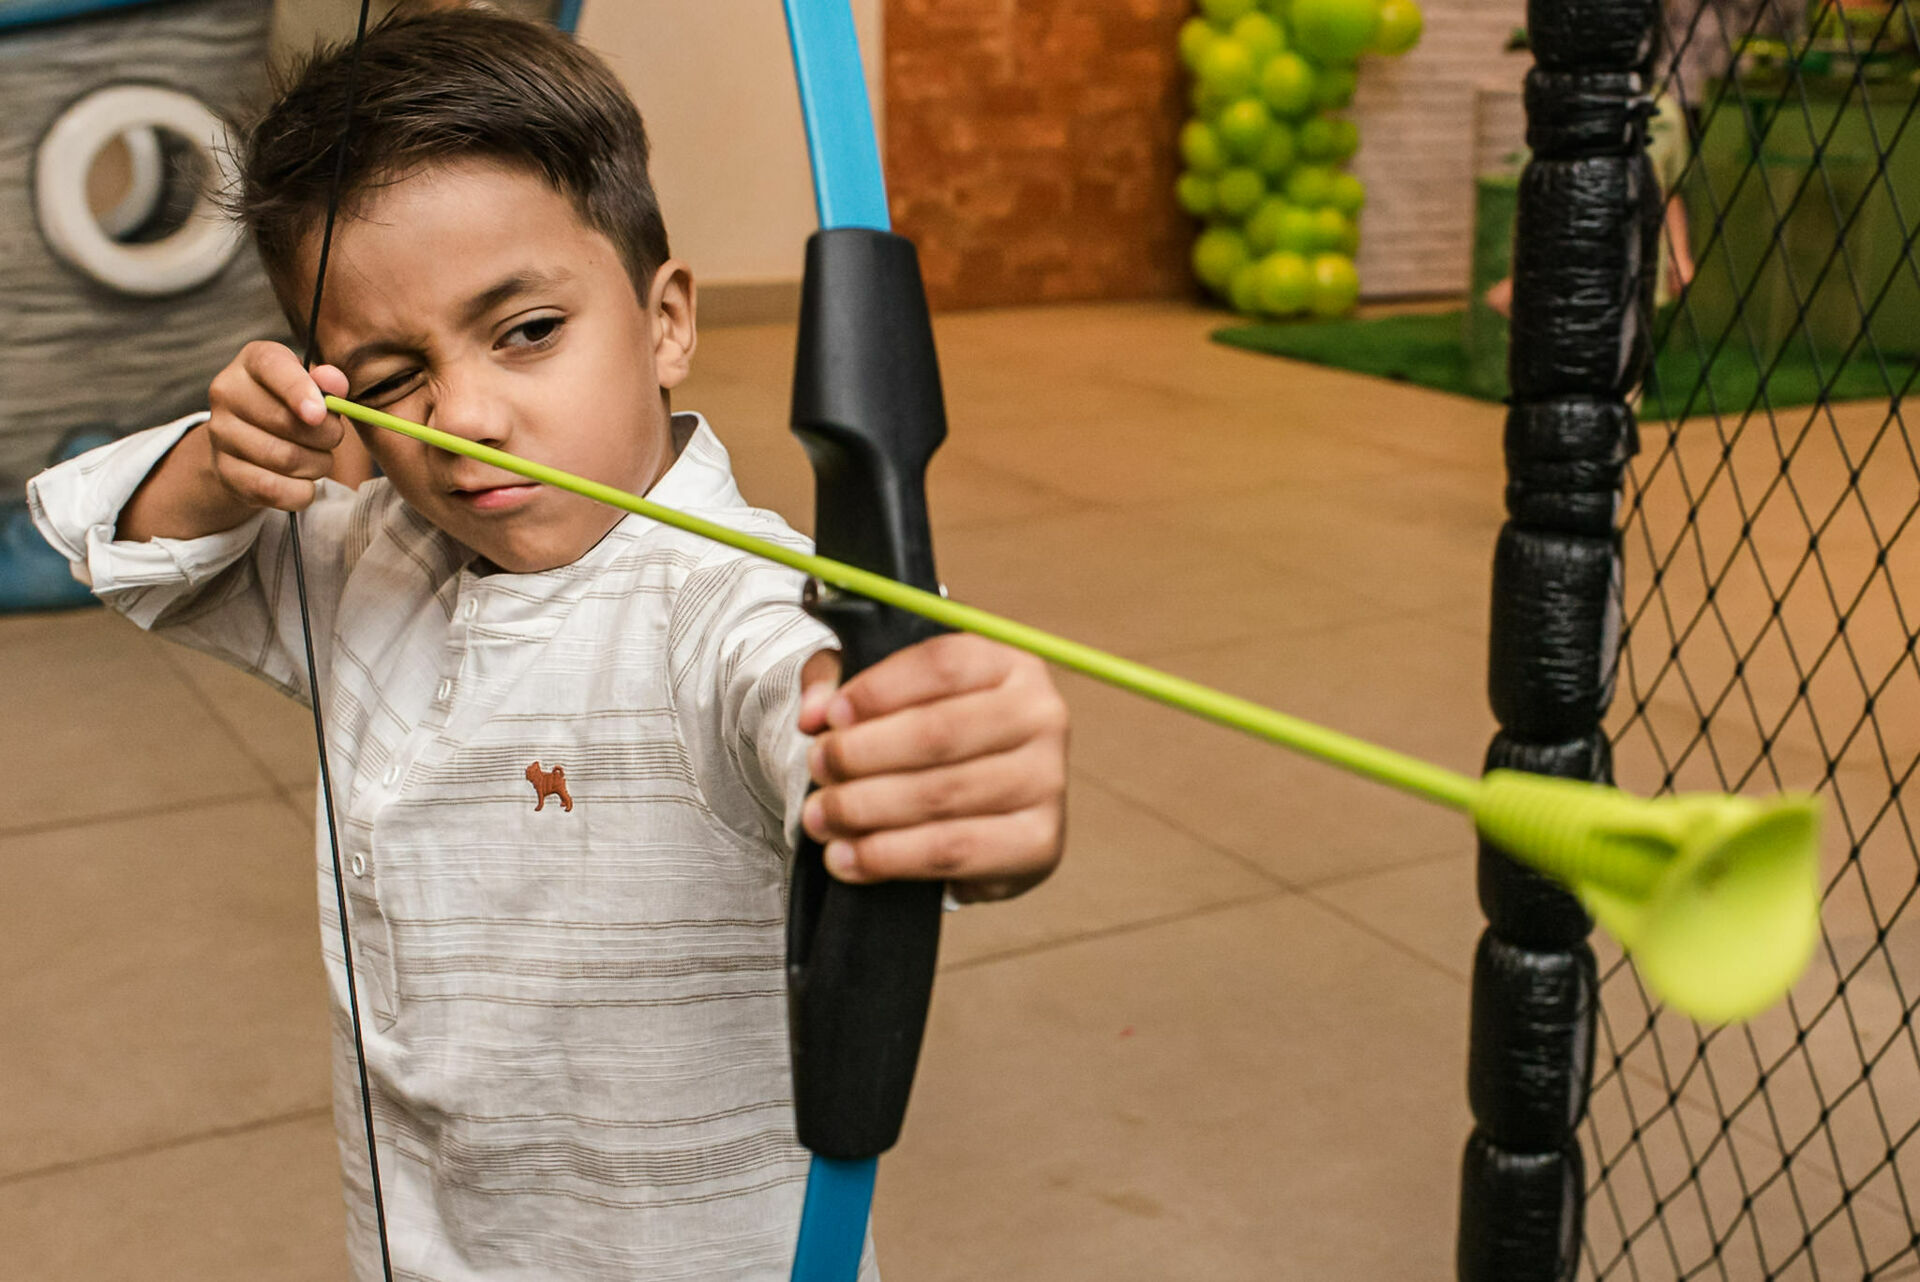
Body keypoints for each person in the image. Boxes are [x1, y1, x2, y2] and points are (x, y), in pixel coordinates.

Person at [26, 9, 1068, 1280]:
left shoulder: (727, 597)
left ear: (667, 318)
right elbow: (114, 540)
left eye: (526, 331)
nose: (465, 418)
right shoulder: (367, 558)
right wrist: (221, 457)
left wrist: (935, 752)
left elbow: (815, 689)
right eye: (391, 371)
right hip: (421, 1235)